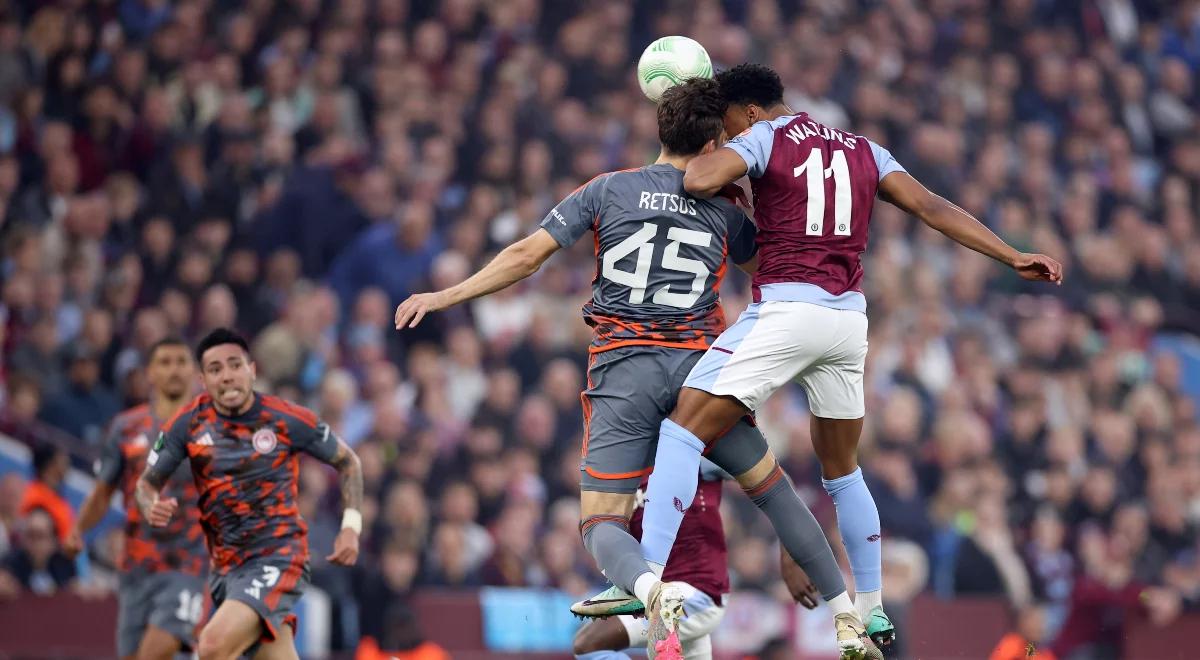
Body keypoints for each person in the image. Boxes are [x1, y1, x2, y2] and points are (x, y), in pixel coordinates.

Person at [395, 79, 874, 660]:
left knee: (600, 522)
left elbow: (527, 255)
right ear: (712, 143)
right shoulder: (723, 208)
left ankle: (650, 590)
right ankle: (847, 613)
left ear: (658, 131)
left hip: (623, 372)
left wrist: (446, 296)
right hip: (700, 376)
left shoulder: (608, 190)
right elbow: (776, 270)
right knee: (773, 491)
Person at [633, 63, 1063, 653]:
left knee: (681, 429)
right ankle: (872, 610)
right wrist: (1009, 253)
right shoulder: (865, 149)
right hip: (847, 322)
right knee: (843, 471)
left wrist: (710, 159)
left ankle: (649, 581)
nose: (729, 134)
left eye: (730, 123)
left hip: (787, 307)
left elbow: (698, 179)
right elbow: (932, 206)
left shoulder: (763, 137)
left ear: (752, 111)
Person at [135, 328, 365, 660]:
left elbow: (349, 462)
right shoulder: (186, 424)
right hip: (225, 569)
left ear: (252, 370)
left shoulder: (286, 418)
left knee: (212, 646)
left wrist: (350, 528)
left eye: (235, 365)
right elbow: (146, 484)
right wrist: (150, 504)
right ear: (203, 379)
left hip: (277, 556)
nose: (227, 377)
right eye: (215, 370)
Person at [572, 461, 823, 660]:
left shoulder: (695, 451)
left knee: (589, 644)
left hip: (698, 592)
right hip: (656, 596)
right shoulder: (622, 468)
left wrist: (790, 557)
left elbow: (778, 482)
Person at [63, 337, 208, 660]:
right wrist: (78, 529)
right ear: (150, 373)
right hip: (136, 565)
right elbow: (103, 492)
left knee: (154, 652)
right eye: (165, 362)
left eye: (182, 362)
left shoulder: (210, 428)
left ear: (195, 373)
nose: (174, 370)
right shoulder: (125, 427)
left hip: (189, 563)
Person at [19, 443, 73, 543]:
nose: (66, 466)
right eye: (61, 462)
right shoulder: (29, 494)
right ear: (50, 465)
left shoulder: (62, 504)